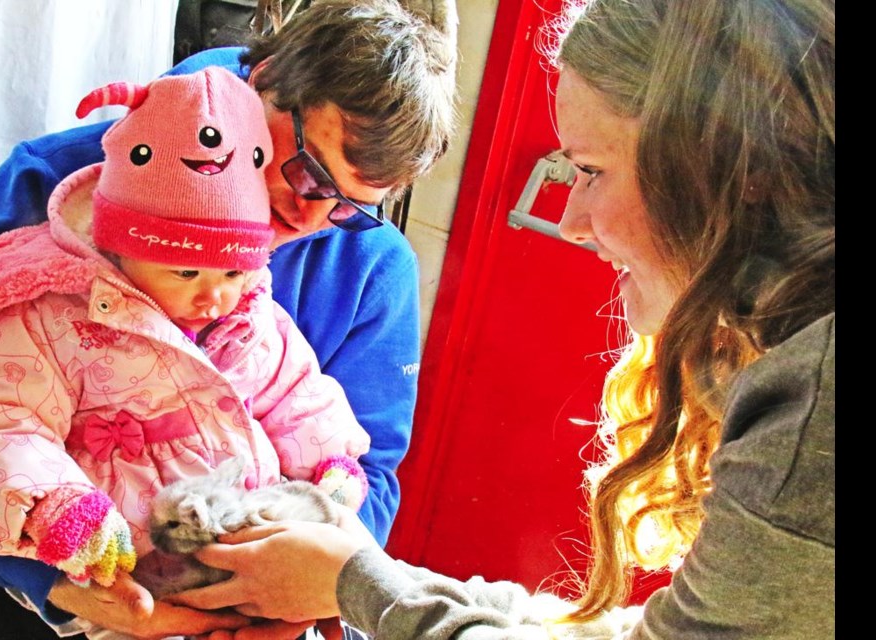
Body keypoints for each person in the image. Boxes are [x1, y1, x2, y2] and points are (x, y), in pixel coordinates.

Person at [165, 0, 836, 637]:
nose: (571, 222)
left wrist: (356, 583)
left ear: (720, 165)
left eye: (591, 171)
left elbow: (370, 473)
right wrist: (361, 581)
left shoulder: (812, 417)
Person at [0, 1, 458, 638]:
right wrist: (56, 587)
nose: (307, 219)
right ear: (266, 80)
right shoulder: (66, 183)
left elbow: (366, 464)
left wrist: (309, 594)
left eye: (350, 206)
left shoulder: (372, 268)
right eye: (307, 173)